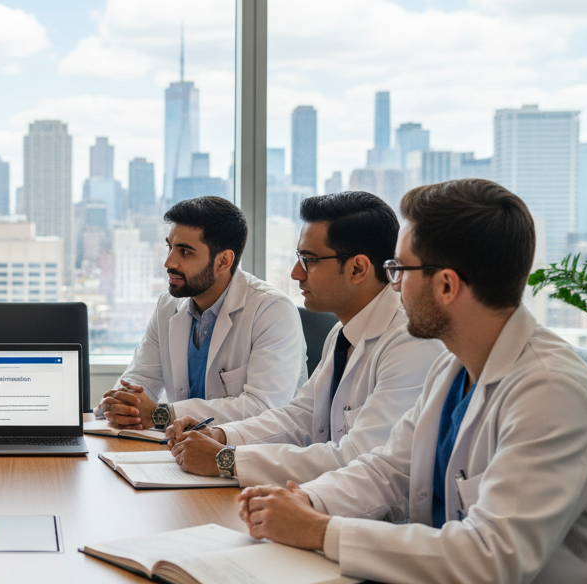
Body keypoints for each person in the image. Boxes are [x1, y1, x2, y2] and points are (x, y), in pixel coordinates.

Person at [238, 179, 587, 584]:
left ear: (446, 285)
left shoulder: (551, 391)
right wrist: (307, 502)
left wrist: (322, 531)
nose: (393, 284)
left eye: (399, 269)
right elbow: (388, 470)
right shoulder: (454, 365)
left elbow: (492, 557)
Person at [166, 192, 443, 486]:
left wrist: (227, 460)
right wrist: (220, 435)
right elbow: (301, 417)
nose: (296, 273)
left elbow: (358, 458)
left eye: (309, 260)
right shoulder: (342, 333)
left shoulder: (410, 342)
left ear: (357, 268)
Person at [97, 196, 306, 430]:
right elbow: (142, 377)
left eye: (185, 252)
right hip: (178, 454)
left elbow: (263, 408)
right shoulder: (167, 306)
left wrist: (163, 414)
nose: (169, 262)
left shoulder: (272, 311)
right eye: (170, 247)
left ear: (223, 261)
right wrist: (124, 404)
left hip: (249, 457)